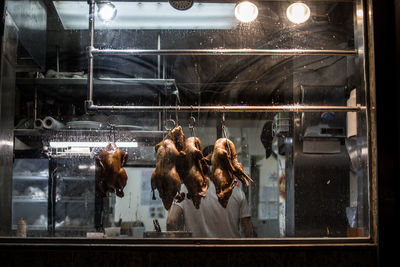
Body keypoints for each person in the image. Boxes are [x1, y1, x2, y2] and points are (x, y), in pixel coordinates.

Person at [167, 145, 256, 238]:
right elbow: (248, 231)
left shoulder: (186, 189)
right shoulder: (236, 192)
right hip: (230, 251)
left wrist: (178, 247)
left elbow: (171, 222)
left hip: (196, 250)